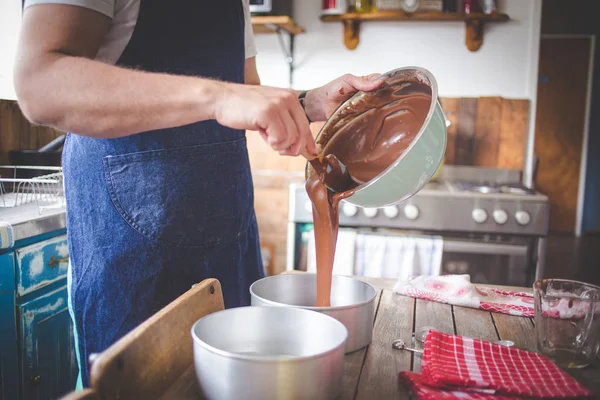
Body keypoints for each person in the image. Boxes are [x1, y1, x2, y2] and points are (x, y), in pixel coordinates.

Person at [14, 0, 381, 388]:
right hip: (134, 260)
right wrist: (217, 97)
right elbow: (39, 84)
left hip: (230, 239)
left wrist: (307, 103)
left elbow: (242, 91)